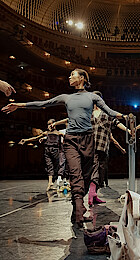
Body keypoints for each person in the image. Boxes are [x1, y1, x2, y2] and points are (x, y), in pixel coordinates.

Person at [2, 68, 125, 228]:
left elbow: (109, 111)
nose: (69, 77)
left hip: (88, 140)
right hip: (71, 140)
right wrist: (19, 105)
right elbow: (43, 104)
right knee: (75, 175)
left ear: (82, 78)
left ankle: (76, 210)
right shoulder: (66, 97)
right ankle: (80, 212)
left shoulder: (92, 97)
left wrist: (125, 116)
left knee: (86, 177)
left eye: (72, 75)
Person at [19, 119, 64, 191]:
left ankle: (52, 182)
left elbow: (67, 137)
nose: (49, 126)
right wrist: (26, 140)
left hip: (56, 151)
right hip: (47, 150)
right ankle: (50, 183)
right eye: (48, 124)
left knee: (56, 167)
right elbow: (36, 138)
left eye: (50, 124)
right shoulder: (46, 133)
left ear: (54, 125)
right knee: (49, 166)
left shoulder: (59, 133)